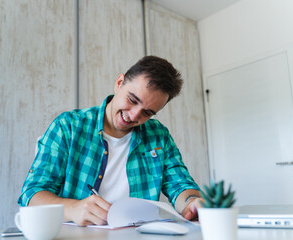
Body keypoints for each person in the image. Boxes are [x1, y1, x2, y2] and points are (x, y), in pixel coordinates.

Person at [18, 55, 202, 226]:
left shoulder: (158, 135)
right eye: (132, 100)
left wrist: (193, 201)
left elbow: (181, 185)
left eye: (147, 113)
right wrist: (73, 208)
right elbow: (32, 194)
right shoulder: (68, 127)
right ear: (119, 83)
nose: (133, 116)